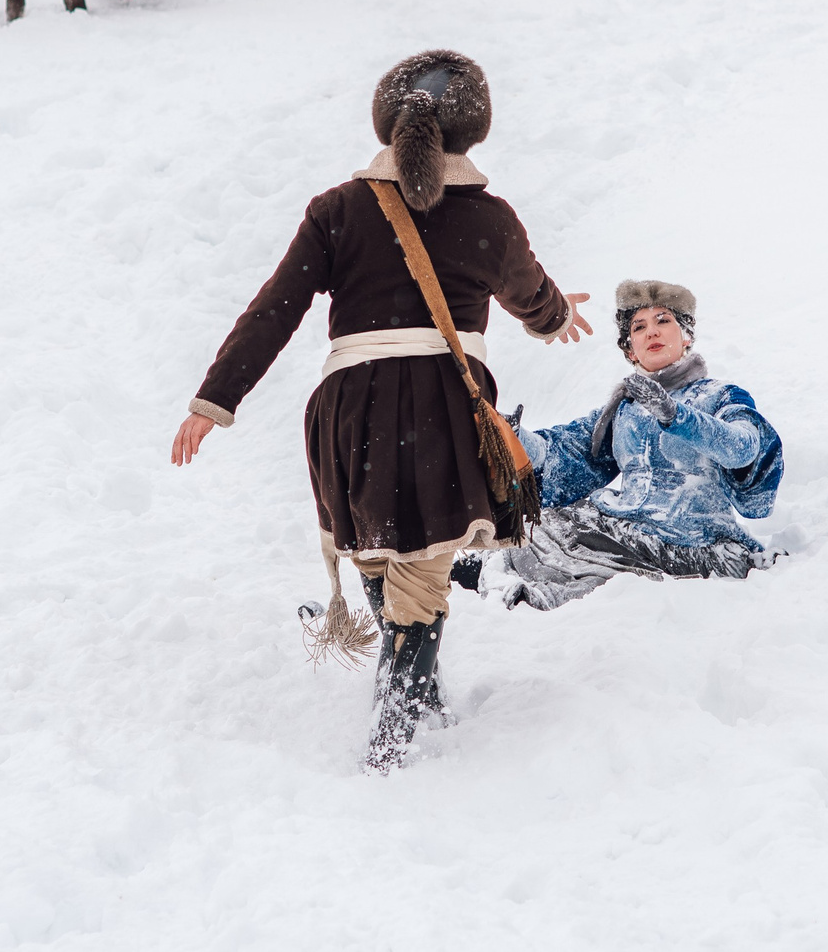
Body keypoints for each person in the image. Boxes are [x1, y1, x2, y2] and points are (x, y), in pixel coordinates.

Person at [169, 50, 592, 772]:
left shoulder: (337, 209)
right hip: (445, 409)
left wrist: (216, 398)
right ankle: (395, 735)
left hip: (349, 409)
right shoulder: (489, 218)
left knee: (378, 548)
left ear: (387, 122)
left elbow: (275, 309)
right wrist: (554, 318)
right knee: (420, 571)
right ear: (473, 128)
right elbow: (529, 291)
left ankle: (411, 701)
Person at [470, 279, 783, 612]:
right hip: (624, 527)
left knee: (572, 551)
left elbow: (743, 449)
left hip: (692, 541)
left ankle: (530, 595)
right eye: (639, 326)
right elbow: (568, 451)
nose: (652, 332)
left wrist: (677, 416)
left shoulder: (720, 396)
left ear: (686, 336)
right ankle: (502, 581)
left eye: (664, 321)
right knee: (531, 527)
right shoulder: (625, 408)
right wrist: (511, 436)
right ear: (630, 349)